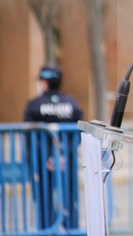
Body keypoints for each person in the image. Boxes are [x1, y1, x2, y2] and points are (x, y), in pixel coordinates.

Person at [24, 65, 83, 230]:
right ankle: (71, 228)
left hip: (42, 161)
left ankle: (46, 229)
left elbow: (29, 135)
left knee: (44, 197)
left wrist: (48, 156)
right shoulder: (72, 104)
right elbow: (79, 133)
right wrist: (63, 155)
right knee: (70, 195)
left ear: (44, 83)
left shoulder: (34, 105)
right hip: (67, 159)